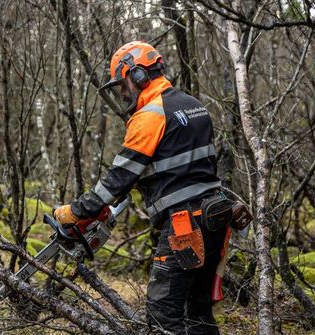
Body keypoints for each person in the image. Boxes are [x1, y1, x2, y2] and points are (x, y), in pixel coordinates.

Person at [53, 41, 227, 334]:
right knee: (198, 312)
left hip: (184, 226)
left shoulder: (150, 116)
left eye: (123, 84)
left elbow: (118, 178)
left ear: (137, 75)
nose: (122, 93)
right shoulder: (196, 106)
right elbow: (173, 170)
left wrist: (76, 211)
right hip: (216, 217)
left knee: (163, 313)